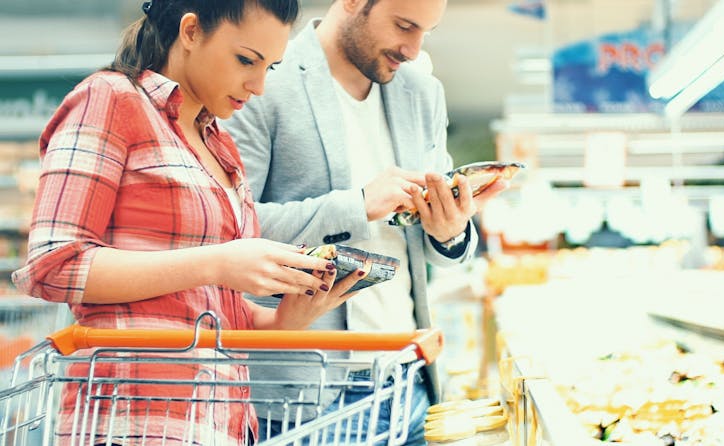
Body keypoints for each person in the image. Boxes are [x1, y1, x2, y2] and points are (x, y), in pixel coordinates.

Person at [11, 0, 363, 444]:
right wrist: (218, 262)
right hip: (130, 421)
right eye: (245, 60)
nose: (257, 86)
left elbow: (203, 308)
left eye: (270, 68)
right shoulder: (111, 99)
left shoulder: (221, 147)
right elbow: (53, 264)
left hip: (217, 424)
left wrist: (285, 320)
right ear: (192, 31)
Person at [224, 0, 508, 442]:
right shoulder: (265, 80)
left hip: (408, 380)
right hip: (307, 394)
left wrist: (450, 229)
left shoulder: (422, 93)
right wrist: (358, 206)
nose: (413, 49)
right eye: (403, 26)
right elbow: (229, 228)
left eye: (424, 34)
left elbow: (444, 251)